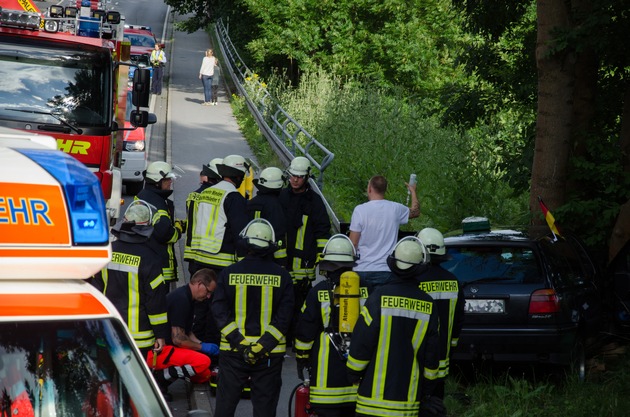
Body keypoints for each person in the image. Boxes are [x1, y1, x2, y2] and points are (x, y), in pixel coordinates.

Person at [346, 236, 444, 417]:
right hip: (407, 404)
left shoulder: (378, 297)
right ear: (421, 267)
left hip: (370, 403)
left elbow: (362, 341)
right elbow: (432, 353)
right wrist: (428, 389)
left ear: (393, 262)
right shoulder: (428, 304)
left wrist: (353, 372)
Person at [211, 219, 294, 417]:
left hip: (233, 351)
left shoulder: (228, 273)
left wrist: (240, 342)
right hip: (269, 354)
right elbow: (285, 318)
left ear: (246, 243)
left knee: (225, 406)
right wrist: (262, 346)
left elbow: (219, 311)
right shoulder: (283, 277)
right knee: (265, 408)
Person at [294, 234, 371, 417]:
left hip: (326, 385)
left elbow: (305, 331)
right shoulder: (369, 290)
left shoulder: (317, 292)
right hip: (358, 385)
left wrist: (302, 358)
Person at [90, 200, 169, 359]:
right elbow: (155, 302)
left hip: (108, 330)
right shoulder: (150, 259)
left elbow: (94, 290)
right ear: (147, 227)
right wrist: (160, 334)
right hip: (139, 338)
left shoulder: (108, 252)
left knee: (106, 379)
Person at [186, 155, 251, 345]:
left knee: (199, 310)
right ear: (239, 176)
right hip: (221, 265)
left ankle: (196, 349)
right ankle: (213, 354)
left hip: (199, 261)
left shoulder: (205, 193)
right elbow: (241, 234)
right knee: (219, 311)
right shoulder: (234, 198)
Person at [279, 156, 331, 342]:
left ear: (307, 177)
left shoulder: (315, 202)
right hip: (282, 261)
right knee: (281, 301)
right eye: (293, 175)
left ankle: (297, 337)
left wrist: (321, 257)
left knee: (300, 302)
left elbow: (322, 230)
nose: (295, 180)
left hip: (303, 264)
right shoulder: (281, 196)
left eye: (299, 177)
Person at [148, 268, 220, 400]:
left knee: (205, 374)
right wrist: (202, 348)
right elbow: (178, 339)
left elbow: (187, 332)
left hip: (162, 350)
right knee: (203, 362)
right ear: (199, 284)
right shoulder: (181, 300)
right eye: (208, 291)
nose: (208, 296)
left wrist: (201, 343)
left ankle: (163, 375)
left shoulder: (187, 297)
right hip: (157, 352)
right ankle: (158, 380)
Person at [416, 227, 465, 410]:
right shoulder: (453, 282)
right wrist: (451, 348)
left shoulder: (415, 281)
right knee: (436, 404)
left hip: (417, 357)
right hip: (442, 357)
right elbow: (459, 320)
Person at [348, 175, 420, 287]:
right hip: (387, 271)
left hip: (362, 270)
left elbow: (353, 243)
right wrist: (413, 191)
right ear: (385, 190)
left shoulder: (360, 210)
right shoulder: (395, 209)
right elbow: (415, 212)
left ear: (370, 188)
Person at [136, 161, 184, 285]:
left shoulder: (142, 195)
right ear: (158, 181)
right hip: (158, 268)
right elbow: (166, 234)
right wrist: (178, 229)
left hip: (143, 259)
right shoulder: (159, 204)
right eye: (168, 179)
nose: (170, 181)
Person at [247, 166, 288, 267]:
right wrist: (282, 263)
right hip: (268, 259)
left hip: (248, 257)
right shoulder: (275, 206)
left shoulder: (250, 203)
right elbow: (278, 235)